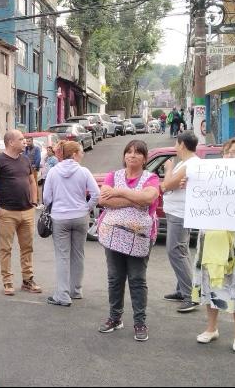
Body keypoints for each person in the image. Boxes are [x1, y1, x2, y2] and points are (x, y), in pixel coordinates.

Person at [192, 139, 235, 353]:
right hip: (212, 237)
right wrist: (189, 185)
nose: (230, 156)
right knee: (212, 283)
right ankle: (211, 328)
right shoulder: (209, 177)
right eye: (227, 152)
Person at [96, 140, 160, 341]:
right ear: (124, 155)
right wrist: (134, 198)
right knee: (115, 278)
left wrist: (119, 192)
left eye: (137, 153)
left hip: (139, 238)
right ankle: (115, 318)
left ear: (145, 158)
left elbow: (149, 199)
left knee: (137, 279)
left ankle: (140, 322)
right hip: (113, 236)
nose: (132, 155)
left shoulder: (151, 178)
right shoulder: (113, 176)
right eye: (129, 152)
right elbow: (103, 200)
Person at [43, 141, 100, 307]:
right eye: (80, 152)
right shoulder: (84, 172)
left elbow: (46, 198)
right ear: (74, 154)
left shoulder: (54, 172)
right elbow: (96, 194)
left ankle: (62, 295)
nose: (82, 154)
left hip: (60, 217)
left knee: (62, 255)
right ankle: (76, 290)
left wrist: (58, 205)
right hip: (81, 217)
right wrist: (86, 207)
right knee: (78, 254)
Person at [0, 130, 41, 296]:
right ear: (11, 142)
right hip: (7, 212)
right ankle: (7, 281)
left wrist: (34, 202)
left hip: (27, 211)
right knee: (6, 249)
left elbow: (32, 181)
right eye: (21, 139)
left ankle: (28, 280)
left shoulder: (25, 159)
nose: (25, 141)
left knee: (27, 248)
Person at [160, 131, 201, 313]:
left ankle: (190, 294)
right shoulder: (186, 163)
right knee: (181, 249)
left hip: (180, 214)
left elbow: (166, 185)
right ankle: (182, 288)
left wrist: (168, 169)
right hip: (175, 212)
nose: (175, 147)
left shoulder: (190, 164)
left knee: (175, 250)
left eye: (176, 144)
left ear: (182, 144)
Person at [23, 138, 42, 209]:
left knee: (34, 184)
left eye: (29, 141)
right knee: (27, 184)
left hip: (33, 169)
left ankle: (36, 200)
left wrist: (34, 167)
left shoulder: (36, 149)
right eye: (27, 141)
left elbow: (38, 158)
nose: (28, 143)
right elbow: (23, 157)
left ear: (32, 141)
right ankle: (29, 199)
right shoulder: (25, 149)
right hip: (26, 169)